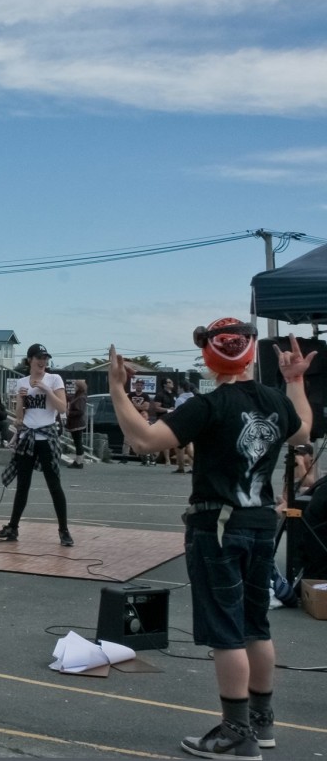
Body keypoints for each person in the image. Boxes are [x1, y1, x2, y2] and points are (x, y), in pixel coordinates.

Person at [108, 321, 314, 760]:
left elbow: (145, 440)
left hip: (218, 526)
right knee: (256, 625)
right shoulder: (274, 399)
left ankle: (235, 733)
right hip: (260, 523)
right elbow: (302, 432)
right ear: (249, 353)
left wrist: (117, 390)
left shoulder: (209, 405)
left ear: (209, 356)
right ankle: (262, 721)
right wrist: (295, 381)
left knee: (227, 631)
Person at [0, 344, 72, 547]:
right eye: (39, 358)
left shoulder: (54, 379)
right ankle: (13, 527)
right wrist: (22, 399)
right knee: (22, 485)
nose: (42, 362)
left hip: (47, 435)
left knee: (54, 484)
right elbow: (20, 416)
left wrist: (45, 389)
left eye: (45, 358)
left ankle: (64, 530)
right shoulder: (22, 382)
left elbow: (62, 407)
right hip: (28, 435)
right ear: (30, 360)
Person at [66, 380, 88, 468]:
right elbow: (69, 397)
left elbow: (80, 411)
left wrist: (69, 413)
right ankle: (78, 461)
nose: (74, 387)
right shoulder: (77, 396)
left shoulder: (81, 397)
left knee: (78, 442)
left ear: (79, 387)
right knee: (77, 442)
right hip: (74, 423)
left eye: (75, 386)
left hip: (77, 424)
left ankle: (79, 462)